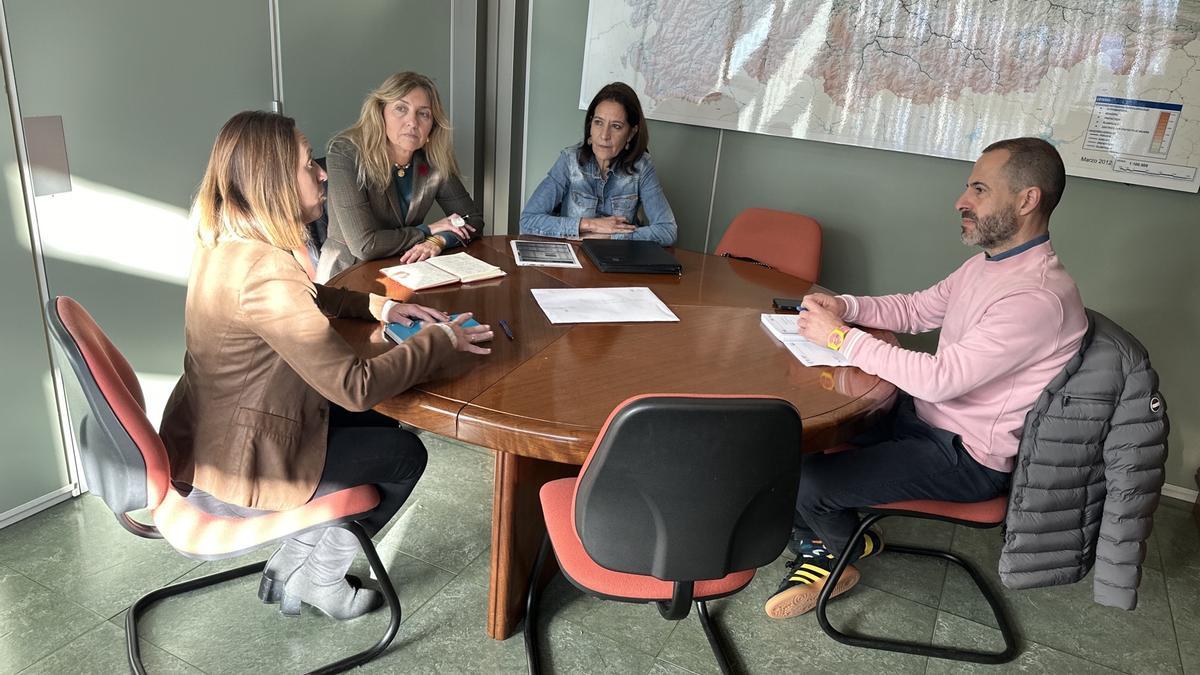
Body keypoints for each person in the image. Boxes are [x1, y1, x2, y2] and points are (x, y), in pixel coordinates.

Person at [159, 111, 493, 620]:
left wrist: (379, 306)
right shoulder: (266, 270)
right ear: (272, 181)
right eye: (305, 164)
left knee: (381, 419)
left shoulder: (226, 242)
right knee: (404, 454)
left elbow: (309, 296)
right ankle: (322, 580)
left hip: (215, 433)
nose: (320, 173)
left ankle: (294, 556)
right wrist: (440, 341)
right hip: (242, 466)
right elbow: (354, 386)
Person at [765, 137, 1088, 620]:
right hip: (926, 419)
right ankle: (833, 534)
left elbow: (941, 380)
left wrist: (840, 340)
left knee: (807, 482)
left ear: (1027, 200)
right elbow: (917, 309)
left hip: (966, 456)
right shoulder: (989, 265)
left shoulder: (1036, 297)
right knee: (794, 429)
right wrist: (846, 307)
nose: (961, 201)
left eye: (979, 189)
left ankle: (836, 550)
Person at [317, 72, 482, 281]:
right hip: (349, 275)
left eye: (423, 114)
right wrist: (428, 229)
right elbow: (365, 246)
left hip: (407, 269)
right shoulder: (345, 153)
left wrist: (438, 240)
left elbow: (472, 219)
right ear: (381, 113)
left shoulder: (431, 160)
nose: (412, 122)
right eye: (401, 109)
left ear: (433, 125)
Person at [519, 82, 677, 245]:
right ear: (590, 124)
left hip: (620, 262)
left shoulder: (642, 167)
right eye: (598, 122)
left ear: (631, 133)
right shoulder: (569, 161)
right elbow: (528, 220)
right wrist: (590, 225)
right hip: (573, 263)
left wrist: (610, 236)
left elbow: (667, 230)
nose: (604, 135)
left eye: (616, 126)